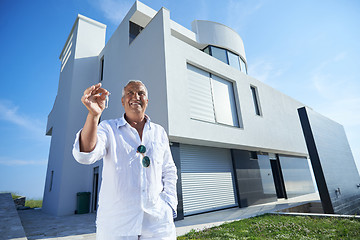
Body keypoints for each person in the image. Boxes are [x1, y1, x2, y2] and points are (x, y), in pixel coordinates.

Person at [72, 81, 178, 240]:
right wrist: (94, 116)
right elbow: (86, 154)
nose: (136, 96)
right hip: (116, 227)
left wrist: (169, 205)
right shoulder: (108, 128)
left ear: (147, 101)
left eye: (141, 93)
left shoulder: (159, 132)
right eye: (130, 92)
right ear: (122, 101)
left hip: (158, 225)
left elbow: (169, 170)